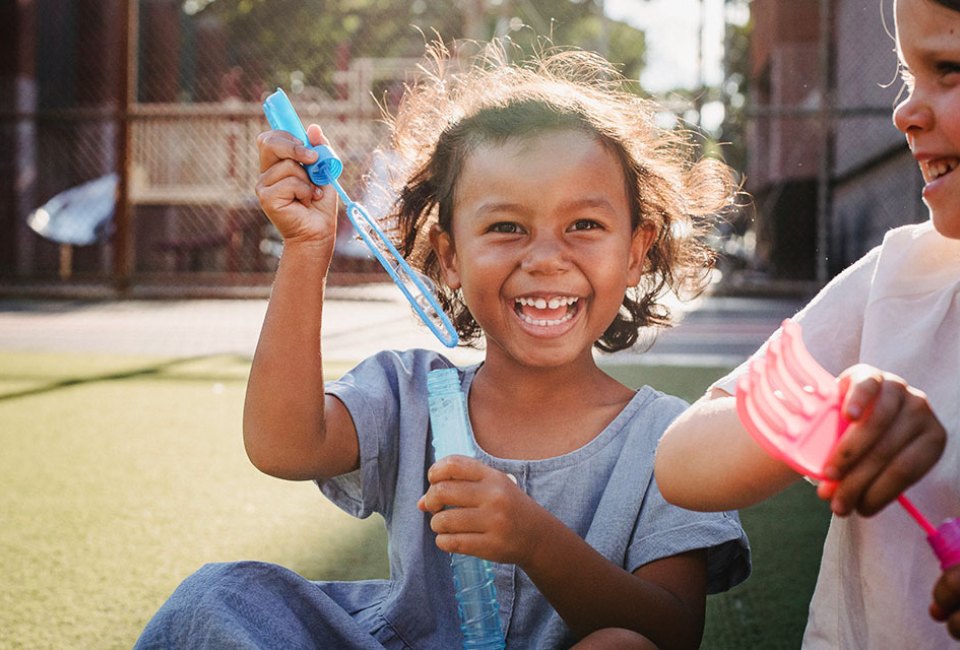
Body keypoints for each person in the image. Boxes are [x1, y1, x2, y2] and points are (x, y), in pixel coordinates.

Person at [134, 40, 750, 649]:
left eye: (584, 225)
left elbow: (671, 631)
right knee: (218, 598)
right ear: (450, 256)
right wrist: (305, 250)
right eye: (506, 227)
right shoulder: (410, 394)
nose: (544, 258)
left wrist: (533, 540)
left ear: (637, 251)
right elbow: (283, 446)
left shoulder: (671, 443)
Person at [654, 0, 959, 646]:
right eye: (909, 78)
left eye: (950, 69)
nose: (905, 113)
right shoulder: (897, 280)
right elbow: (682, 460)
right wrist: (833, 411)